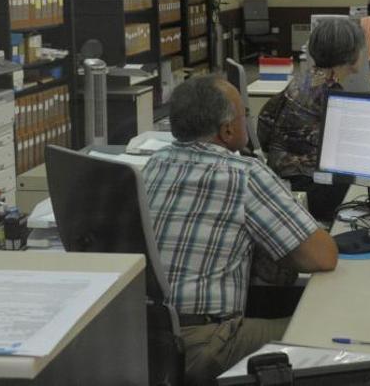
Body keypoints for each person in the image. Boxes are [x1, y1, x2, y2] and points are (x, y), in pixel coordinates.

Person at [142, 75, 338, 385]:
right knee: (329, 328)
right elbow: (322, 257)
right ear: (228, 130)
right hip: (205, 343)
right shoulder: (242, 172)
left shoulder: (155, 162)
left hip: (147, 338)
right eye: (244, 113)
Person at [258, 18, 363, 220]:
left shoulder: (301, 81)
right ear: (351, 54)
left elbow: (264, 126)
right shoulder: (332, 96)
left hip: (280, 182)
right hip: (311, 192)